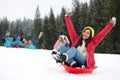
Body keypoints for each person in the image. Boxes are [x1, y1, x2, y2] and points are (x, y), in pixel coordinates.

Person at [52, 13, 116, 68]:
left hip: (84, 61)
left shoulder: (93, 42)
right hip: (74, 60)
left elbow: (102, 34)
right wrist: (67, 17)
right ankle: (72, 63)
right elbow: (71, 29)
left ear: (90, 35)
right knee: (63, 47)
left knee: (74, 50)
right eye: (84, 32)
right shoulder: (77, 40)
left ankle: (61, 59)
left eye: (88, 33)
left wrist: (111, 25)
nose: (85, 33)